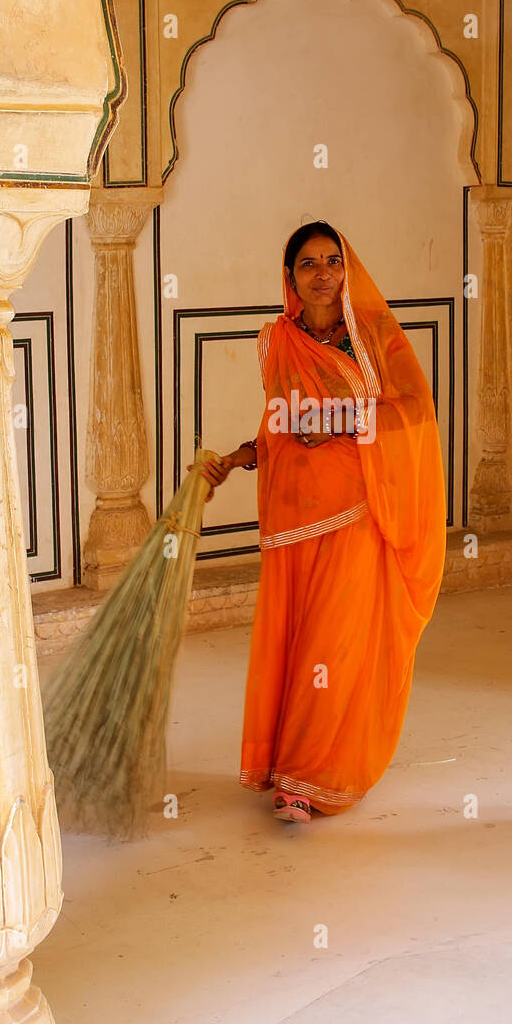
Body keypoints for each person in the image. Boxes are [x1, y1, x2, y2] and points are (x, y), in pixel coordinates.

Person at [199, 221, 446, 822]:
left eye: (332, 260)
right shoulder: (276, 340)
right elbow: (276, 424)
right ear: (290, 277)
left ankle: (307, 781)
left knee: (331, 647)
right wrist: (236, 459)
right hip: (292, 521)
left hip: (358, 513)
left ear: (347, 269)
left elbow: (413, 410)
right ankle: (288, 766)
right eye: (308, 263)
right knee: (296, 646)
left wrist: (340, 420)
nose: (322, 273)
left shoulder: (376, 336)